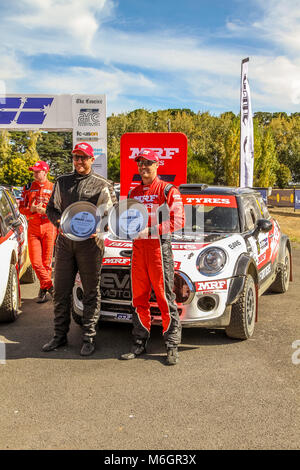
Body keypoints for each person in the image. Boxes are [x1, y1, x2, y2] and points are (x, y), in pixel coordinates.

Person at [42, 142, 117, 356]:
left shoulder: (102, 184)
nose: (79, 161)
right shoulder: (62, 182)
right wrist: (60, 224)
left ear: (92, 159)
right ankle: (59, 336)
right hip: (65, 243)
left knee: (91, 292)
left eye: (83, 157)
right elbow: (51, 209)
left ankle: (89, 338)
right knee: (60, 292)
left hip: (91, 245)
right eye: (76, 157)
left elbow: (111, 216)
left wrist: (100, 228)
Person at [120, 149, 185, 365]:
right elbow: (126, 219)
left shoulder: (168, 189)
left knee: (165, 297)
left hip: (158, 249)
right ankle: (139, 342)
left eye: (148, 163)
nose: (143, 166)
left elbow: (178, 221)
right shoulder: (133, 192)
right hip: (138, 249)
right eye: (140, 163)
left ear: (157, 165)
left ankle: (172, 345)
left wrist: (150, 231)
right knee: (138, 297)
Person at [19, 161, 56, 303]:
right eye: (34, 171)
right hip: (33, 226)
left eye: (37, 171)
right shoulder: (28, 187)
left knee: (46, 263)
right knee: (35, 262)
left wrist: (46, 211)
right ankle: (51, 288)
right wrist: (32, 210)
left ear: (45, 172)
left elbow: (59, 208)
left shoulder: (53, 187)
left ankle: (42, 290)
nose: (34, 173)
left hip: (49, 226)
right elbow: (21, 208)